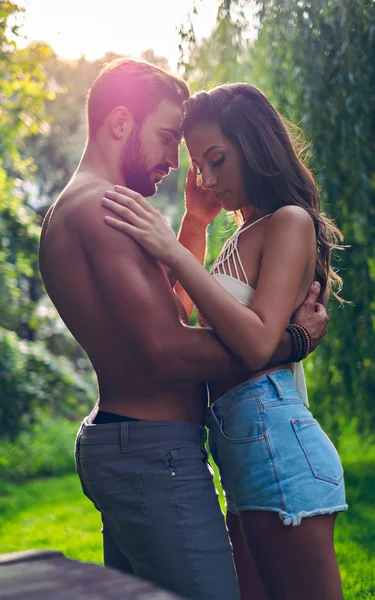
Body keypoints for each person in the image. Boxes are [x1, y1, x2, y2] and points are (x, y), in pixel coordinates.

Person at [39, 60, 329, 600]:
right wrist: (291, 342)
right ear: (121, 122)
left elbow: (171, 306)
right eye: (168, 138)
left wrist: (192, 225)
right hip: (151, 453)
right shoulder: (104, 207)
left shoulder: (77, 208)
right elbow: (168, 348)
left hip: (134, 443)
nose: (177, 164)